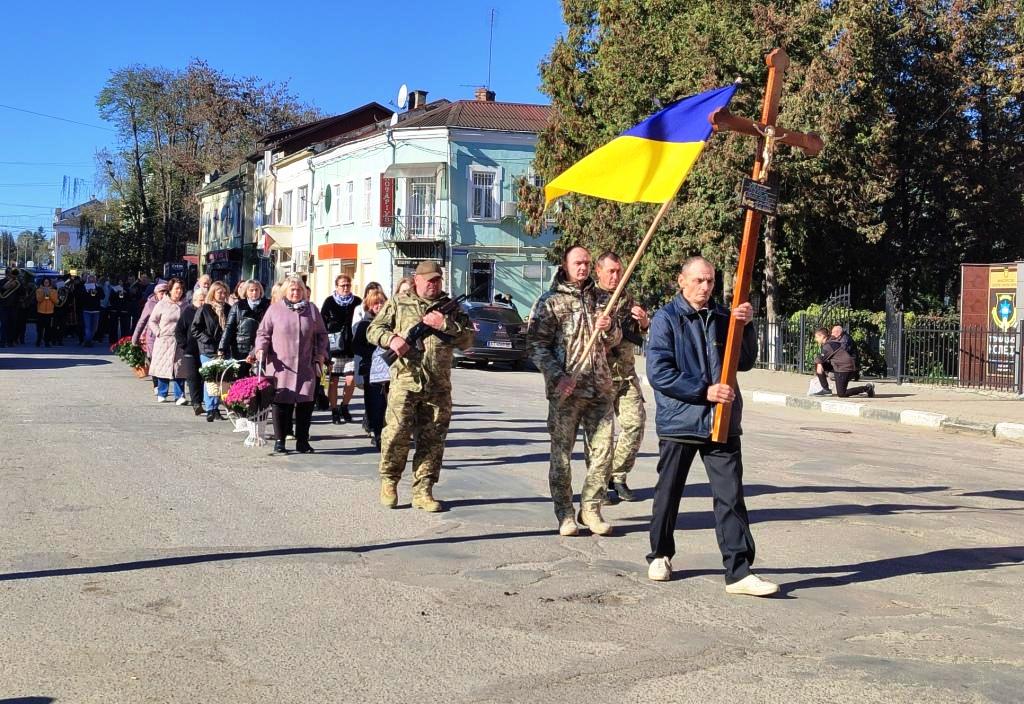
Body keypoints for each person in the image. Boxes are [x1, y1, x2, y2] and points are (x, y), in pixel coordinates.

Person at [645, 256, 777, 596]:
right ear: (682, 280)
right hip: (681, 420)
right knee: (668, 493)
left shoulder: (722, 317)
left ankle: (739, 571)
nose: (706, 287)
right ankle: (660, 554)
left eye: (710, 282)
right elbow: (659, 372)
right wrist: (703, 391)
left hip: (722, 422)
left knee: (730, 496)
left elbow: (744, 362)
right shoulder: (666, 318)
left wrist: (745, 326)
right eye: (699, 281)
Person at [527, 246, 620, 537]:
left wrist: (609, 327)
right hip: (566, 391)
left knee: (603, 454)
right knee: (562, 456)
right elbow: (536, 346)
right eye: (577, 263)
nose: (583, 268)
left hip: (600, 388)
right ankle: (565, 513)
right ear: (565, 266)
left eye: (587, 263)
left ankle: (591, 509)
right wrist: (557, 376)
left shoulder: (602, 299)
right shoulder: (549, 302)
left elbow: (615, 340)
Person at [367, 261, 473, 511]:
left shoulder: (450, 308)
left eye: (438, 280)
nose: (434, 285)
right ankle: (390, 481)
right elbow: (374, 330)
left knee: (433, 440)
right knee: (396, 434)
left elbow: (468, 340)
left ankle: (423, 490)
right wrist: (391, 339)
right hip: (405, 381)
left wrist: (444, 325)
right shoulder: (398, 302)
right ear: (416, 280)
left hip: (438, 384)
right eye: (429, 280)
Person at [592, 251, 650, 503]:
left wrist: (645, 323)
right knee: (600, 436)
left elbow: (638, 335)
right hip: (599, 377)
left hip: (625, 375)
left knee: (635, 424)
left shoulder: (626, 298)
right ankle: (598, 483)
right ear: (599, 271)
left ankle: (619, 476)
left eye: (619, 271)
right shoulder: (588, 298)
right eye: (611, 271)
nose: (616, 276)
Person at [251, 274, 329, 454]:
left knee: (305, 404)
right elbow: (263, 333)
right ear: (286, 291)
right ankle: (280, 441)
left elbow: (321, 335)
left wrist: (320, 355)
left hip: (305, 365)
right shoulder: (275, 310)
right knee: (281, 403)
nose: (296, 292)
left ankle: (302, 441)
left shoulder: (311, 310)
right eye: (292, 290)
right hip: (280, 365)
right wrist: (261, 349)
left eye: (299, 289)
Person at [321, 274, 362, 424]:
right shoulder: (330, 302)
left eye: (348, 285)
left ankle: (344, 405)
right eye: (342, 285)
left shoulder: (357, 302)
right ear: (336, 287)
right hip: (334, 348)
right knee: (333, 381)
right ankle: (334, 410)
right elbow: (322, 323)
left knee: (351, 380)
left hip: (351, 347)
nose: (345, 288)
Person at [352, 289, 389, 448]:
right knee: (375, 403)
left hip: (389, 369)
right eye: (375, 303)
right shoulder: (365, 324)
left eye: (381, 303)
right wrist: (374, 354)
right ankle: (377, 432)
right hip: (371, 370)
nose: (379, 306)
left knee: (389, 403)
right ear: (369, 305)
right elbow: (356, 346)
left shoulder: (390, 323)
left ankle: (387, 431)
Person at [192, 280, 230, 421]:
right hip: (208, 349)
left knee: (221, 380)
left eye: (224, 293)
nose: (222, 295)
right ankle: (210, 409)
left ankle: (216, 408)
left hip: (223, 349)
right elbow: (195, 329)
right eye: (219, 292)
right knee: (210, 379)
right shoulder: (205, 309)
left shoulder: (228, 309)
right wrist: (207, 339)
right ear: (213, 293)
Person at [147, 278, 189, 403]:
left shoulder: (186, 305)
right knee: (163, 366)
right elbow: (152, 321)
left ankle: (180, 396)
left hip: (180, 341)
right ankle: (162, 392)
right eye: (176, 288)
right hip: (164, 340)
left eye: (181, 289)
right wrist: (158, 332)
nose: (179, 291)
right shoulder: (162, 304)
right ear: (170, 290)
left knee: (179, 368)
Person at [219, 279, 269, 376]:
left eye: (256, 290)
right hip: (240, 348)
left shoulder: (267, 305)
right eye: (251, 290)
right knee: (240, 379)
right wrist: (222, 348)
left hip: (259, 347)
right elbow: (229, 328)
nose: (254, 293)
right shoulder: (238, 306)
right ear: (246, 291)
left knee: (259, 379)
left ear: (260, 291)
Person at [813, 328, 875, 398]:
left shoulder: (829, 345)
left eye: (817, 337)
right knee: (819, 364)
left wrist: (819, 365)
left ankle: (867, 388)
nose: (816, 339)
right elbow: (821, 359)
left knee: (842, 394)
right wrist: (819, 364)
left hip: (845, 369)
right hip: (840, 366)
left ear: (822, 336)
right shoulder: (831, 342)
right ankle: (826, 389)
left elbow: (820, 359)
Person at [178, 287, 206, 416]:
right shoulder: (187, 311)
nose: (203, 302)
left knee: (204, 376)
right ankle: (196, 403)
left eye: (205, 299)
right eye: (201, 300)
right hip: (191, 349)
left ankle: (202, 401)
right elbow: (179, 330)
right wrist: (184, 345)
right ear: (194, 300)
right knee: (193, 377)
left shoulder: (208, 311)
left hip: (206, 349)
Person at [77, 274, 104, 347]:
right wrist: (87, 291)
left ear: (95, 280)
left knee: (94, 328)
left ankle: (88, 340)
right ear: (87, 280)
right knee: (88, 327)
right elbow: (80, 297)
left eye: (93, 279)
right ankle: (88, 341)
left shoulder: (98, 288)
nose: (91, 280)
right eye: (90, 279)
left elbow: (102, 297)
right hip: (86, 310)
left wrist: (97, 291)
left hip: (96, 310)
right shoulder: (84, 287)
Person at [0, 267, 23, 347]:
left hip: (14, 306)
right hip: (4, 306)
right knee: (4, 324)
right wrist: (4, 287)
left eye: (13, 274)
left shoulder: (17, 283)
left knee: (13, 324)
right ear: (6, 274)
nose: (12, 275)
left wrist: (19, 285)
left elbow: (21, 293)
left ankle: (10, 342)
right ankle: (2, 342)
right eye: (10, 273)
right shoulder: (2, 281)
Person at [35, 277, 58, 347]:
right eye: (45, 282)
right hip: (40, 311)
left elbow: (55, 301)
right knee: (40, 328)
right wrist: (43, 293)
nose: (46, 284)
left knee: (48, 328)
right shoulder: (39, 290)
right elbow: (38, 300)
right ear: (43, 283)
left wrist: (49, 294)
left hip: (50, 312)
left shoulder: (53, 291)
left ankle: (47, 342)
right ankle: (38, 340)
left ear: (49, 283)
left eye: (47, 282)